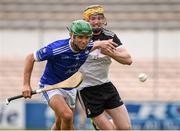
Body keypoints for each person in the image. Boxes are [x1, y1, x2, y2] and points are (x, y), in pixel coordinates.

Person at [22, 19, 117, 130]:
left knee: (59, 123)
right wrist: (26, 85)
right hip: (50, 86)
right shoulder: (56, 48)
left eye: (87, 37)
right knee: (67, 116)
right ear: (72, 36)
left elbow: (95, 44)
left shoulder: (88, 45)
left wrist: (103, 43)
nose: (84, 41)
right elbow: (30, 58)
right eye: (80, 37)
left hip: (70, 87)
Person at [77, 5, 132, 130]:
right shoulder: (80, 37)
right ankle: (98, 124)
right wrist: (99, 45)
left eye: (100, 18)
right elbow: (76, 51)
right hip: (87, 90)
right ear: (86, 21)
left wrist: (110, 53)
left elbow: (128, 59)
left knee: (126, 128)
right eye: (93, 19)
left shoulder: (110, 36)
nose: (97, 21)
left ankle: (98, 125)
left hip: (106, 86)